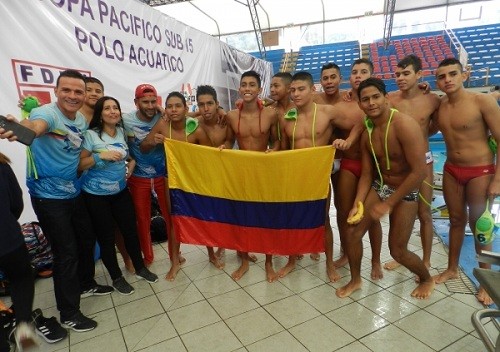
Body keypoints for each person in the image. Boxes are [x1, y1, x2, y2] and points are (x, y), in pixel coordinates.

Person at [0, 70, 98, 332]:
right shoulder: (47, 113)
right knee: (66, 254)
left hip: (73, 192)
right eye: (66, 90)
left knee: (85, 241)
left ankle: (87, 284)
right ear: (56, 91)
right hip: (49, 198)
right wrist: (20, 128)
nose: (72, 96)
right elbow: (35, 127)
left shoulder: (80, 119)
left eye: (79, 91)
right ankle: (68, 313)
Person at [336, 77, 434, 299]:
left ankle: (426, 279)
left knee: (397, 250)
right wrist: (358, 203)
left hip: (407, 190)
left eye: (375, 97)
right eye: (365, 99)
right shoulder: (368, 131)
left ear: (386, 98)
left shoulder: (404, 125)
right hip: (381, 186)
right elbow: (368, 174)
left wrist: (388, 204)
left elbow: (419, 172)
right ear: (359, 104)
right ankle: (355, 279)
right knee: (352, 233)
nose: (371, 103)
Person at [279, 71, 362, 281]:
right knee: (292, 219)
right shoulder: (287, 118)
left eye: (301, 89)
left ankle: (329, 265)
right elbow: (283, 148)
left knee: (323, 220)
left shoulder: (328, 112)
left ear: (312, 90)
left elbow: (357, 125)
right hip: (296, 175)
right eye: (293, 90)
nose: (296, 94)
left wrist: (348, 142)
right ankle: (291, 259)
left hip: (319, 175)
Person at [433, 58, 500, 306]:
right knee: (456, 220)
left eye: (452, 74)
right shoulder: (440, 106)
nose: (447, 79)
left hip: (480, 170)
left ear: (464, 75)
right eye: (442, 76)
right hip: (451, 170)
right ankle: (452, 268)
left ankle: (486, 281)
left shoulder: (482, 101)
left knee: (480, 226)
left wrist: (497, 179)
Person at [79, 96, 159, 295]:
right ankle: (116, 278)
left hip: (120, 191)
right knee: (106, 238)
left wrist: (130, 167)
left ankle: (140, 268)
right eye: (107, 108)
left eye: (115, 107)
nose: (113, 111)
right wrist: (99, 156)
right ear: (100, 113)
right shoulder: (90, 135)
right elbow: (79, 165)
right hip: (96, 196)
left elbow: (130, 157)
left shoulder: (122, 132)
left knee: (130, 231)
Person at [142, 91, 213, 279]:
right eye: (170, 106)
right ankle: (174, 262)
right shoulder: (163, 125)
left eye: (177, 106)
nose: (173, 110)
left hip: (194, 178)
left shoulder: (196, 129)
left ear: (186, 108)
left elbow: (211, 155)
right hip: (171, 177)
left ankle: (212, 254)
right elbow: (144, 146)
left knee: (203, 216)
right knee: (174, 219)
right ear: (165, 109)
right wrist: (153, 141)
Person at [383, 54, 441, 274]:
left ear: (419, 75)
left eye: (406, 73)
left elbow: (435, 127)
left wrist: (420, 139)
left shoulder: (432, 100)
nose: (400, 78)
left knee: (424, 213)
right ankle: (402, 254)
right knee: (397, 210)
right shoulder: (391, 100)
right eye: (397, 74)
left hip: (422, 162)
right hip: (399, 165)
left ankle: (425, 261)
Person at [221, 70, 280, 282]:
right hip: (243, 172)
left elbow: (277, 141)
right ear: (239, 89)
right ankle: (244, 260)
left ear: (259, 89)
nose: (247, 88)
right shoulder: (231, 116)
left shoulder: (270, 114)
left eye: (252, 85)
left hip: (264, 171)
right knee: (242, 217)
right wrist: (224, 146)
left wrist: (274, 150)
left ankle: (268, 262)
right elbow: (228, 140)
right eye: (244, 85)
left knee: (267, 218)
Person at [330, 59, 385, 281]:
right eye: (354, 72)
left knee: (372, 216)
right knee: (344, 212)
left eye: (364, 72)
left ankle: (376, 260)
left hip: (373, 166)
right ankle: (345, 252)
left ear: (372, 75)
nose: (358, 75)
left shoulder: (376, 103)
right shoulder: (340, 105)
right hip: (349, 164)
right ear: (349, 78)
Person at [123, 84, 171, 268]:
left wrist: (163, 109)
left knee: (170, 216)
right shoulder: (125, 120)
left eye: (153, 102)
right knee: (142, 220)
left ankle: (176, 254)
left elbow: (186, 116)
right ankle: (148, 257)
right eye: (145, 102)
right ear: (136, 102)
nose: (150, 106)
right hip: (139, 178)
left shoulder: (163, 116)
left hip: (163, 175)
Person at [0, 152, 37, 351]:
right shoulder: (2, 164)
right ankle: (23, 326)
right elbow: (16, 202)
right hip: (8, 237)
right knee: (21, 279)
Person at [196, 85, 229, 266]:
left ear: (217, 104)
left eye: (210, 103)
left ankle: (237, 248)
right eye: (201, 104)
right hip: (205, 177)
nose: (206, 108)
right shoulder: (194, 124)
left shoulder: (227, 120)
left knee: (230, 214)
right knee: (208, 216)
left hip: (226, 175)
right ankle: (211, 254)